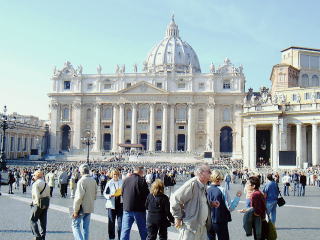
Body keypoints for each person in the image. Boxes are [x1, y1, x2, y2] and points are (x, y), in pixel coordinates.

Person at [170, 164, 213, 240]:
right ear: (201, 173)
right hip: (190, 228)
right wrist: (177, 217)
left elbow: (200, 203)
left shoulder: (204, 185)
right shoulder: (192, 184)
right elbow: (175, 198)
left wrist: (211, 204)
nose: (211, 173)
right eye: (209, 171)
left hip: (202, 227)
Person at [207, 170, 241, 240]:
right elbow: (230, 207)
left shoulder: (205, 189)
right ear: (220, 179)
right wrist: (237, 197)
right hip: (220, 220)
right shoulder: (222, 190)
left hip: (208, 221)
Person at [120, 166, 149, 240]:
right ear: (140, 171)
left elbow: (122, 193)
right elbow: (147, 195)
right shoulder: (141, 180)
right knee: (143, 231)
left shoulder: (126, 180)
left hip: (127, 208)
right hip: (139, 209)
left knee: (125, 231)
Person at [72, 164, 97, 240]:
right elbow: (95, 195)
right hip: (90, 206)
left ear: (81, 172)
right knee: (86, 228)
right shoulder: (93, 180)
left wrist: (75, 210)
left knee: (75, 225)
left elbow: (78, 198)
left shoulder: (82, 181)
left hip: (81, 207)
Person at [30, 170, 51, 240]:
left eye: (34, 176)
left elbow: (36, 196)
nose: (33, 177)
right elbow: (48, 196)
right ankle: (43, 236)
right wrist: (47, 206)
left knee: (33, 220)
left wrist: (36, 204)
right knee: (43, 221)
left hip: (38, 204)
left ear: (37, 176)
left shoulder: (36, 184)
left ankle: (37, 235)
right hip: (45, 204)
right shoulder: (46, 184)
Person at [104, 169, 123, 240]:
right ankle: (111, 237)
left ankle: (120, 237)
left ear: (118, 175)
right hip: (111, 204)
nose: (115, 176)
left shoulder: (122, 182)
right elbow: (105, 193)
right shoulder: (109, 183)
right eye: (114, 174)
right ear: (112, 175)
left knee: (120, 223)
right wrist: (109, 196)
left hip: (120, 204)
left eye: (117, 174)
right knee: (111, 222)